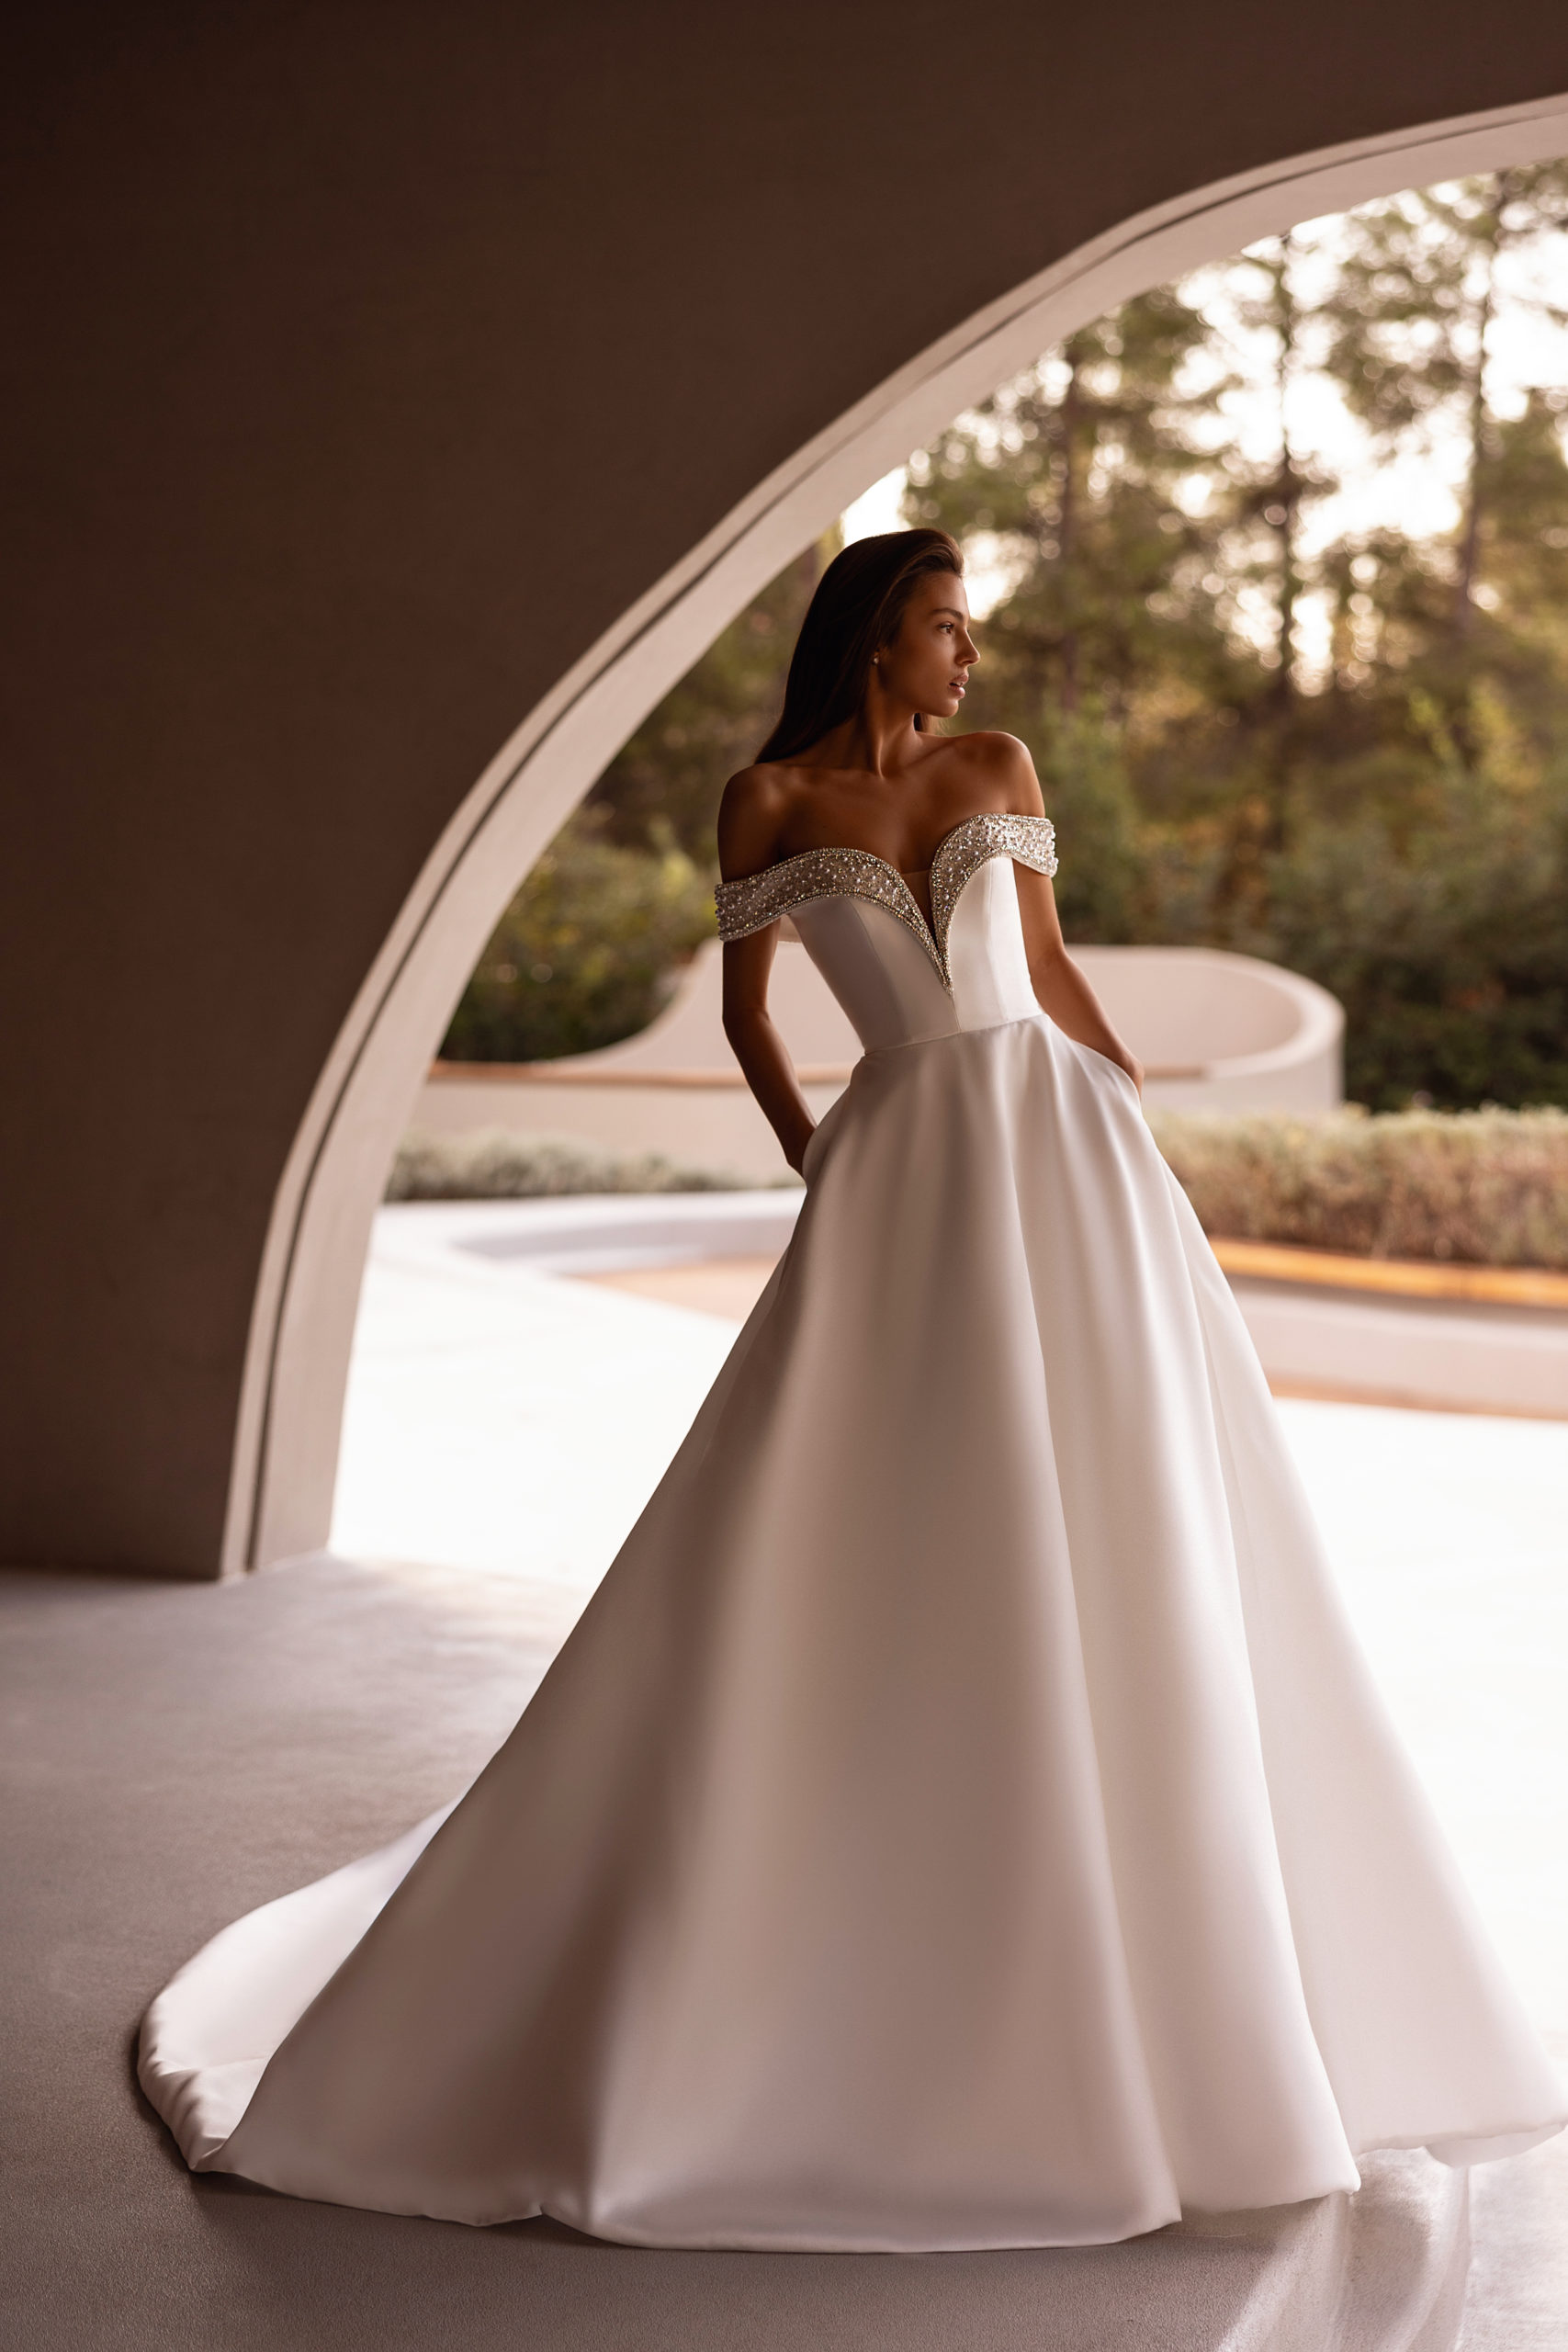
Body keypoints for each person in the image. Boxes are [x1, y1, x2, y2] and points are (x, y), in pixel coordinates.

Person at [141, 529, 1563, 2252]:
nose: (970, 661)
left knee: (1125, 1505)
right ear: (875, 637)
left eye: (972, 634)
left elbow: (1040, 968)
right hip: (900, 1162)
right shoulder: (764, 801)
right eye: (946, 630)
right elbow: (749, 1014)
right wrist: (819, 1147)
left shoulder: (996, 766)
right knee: (878, 1503)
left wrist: (1130, 1120)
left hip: (1060, 1148)